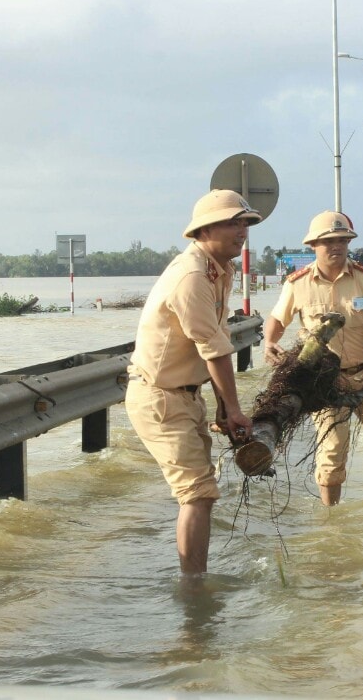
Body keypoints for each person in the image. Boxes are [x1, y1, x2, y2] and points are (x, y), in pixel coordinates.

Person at [126, 189, 259, 575]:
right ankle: (194, 591)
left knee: (203, 492)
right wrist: (234, 409)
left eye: (245, 223)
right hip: (160, 397)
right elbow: (215, 348)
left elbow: (214, 339)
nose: (242, 231)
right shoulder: (191, 277)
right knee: (197, 493)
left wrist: (220, 405)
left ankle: (195, 580)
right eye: (233, 223)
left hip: (186, 394)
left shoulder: (220, 270)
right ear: (204, 230)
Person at [262, 210, 363, 506]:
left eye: (342, 240)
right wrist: (270, 343)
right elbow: (276, 320)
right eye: (328, 241)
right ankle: (331, 516)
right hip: (323, 383)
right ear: (313, 245)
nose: (336, 246)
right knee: (332, 452)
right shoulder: (297, 283)